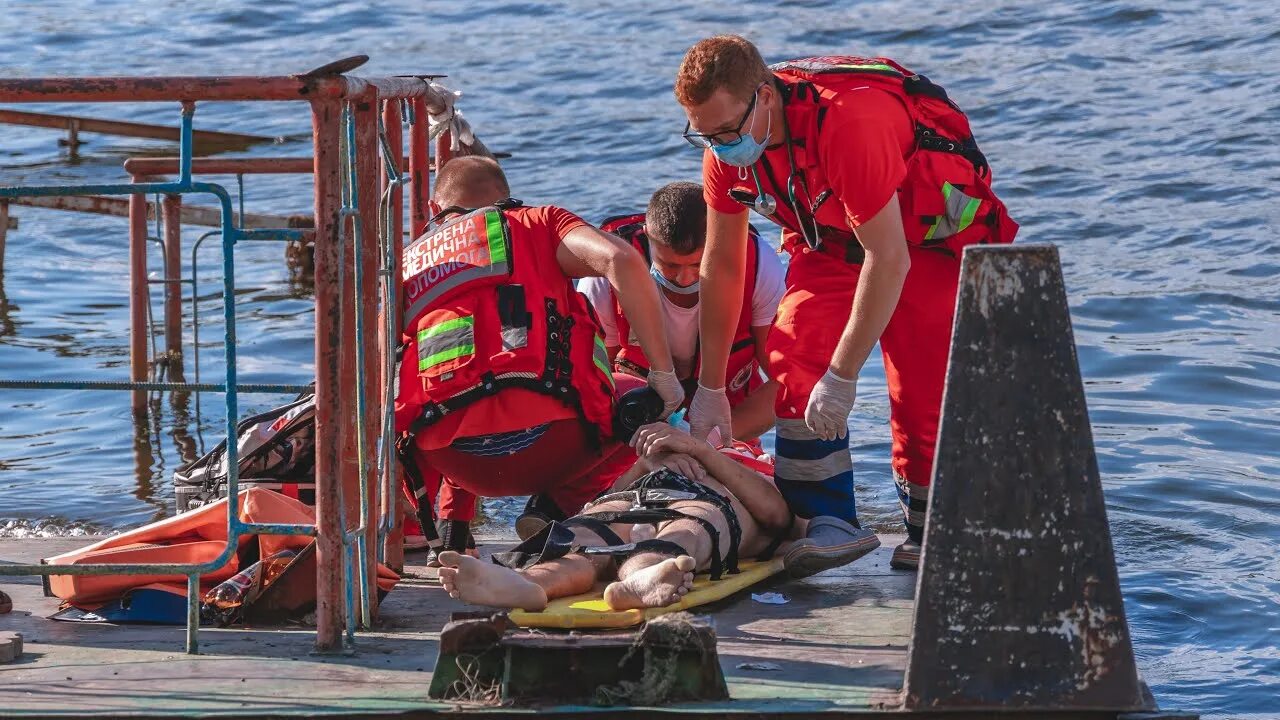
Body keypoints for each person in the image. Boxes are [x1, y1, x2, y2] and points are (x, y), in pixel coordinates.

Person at [674, 37, 1018, 570]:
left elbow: (890, 259)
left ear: (765, 98)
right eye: (704, 135)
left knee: (920, 385)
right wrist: (711, 388)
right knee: (793, 349)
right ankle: (825, 520)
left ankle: (933, 532)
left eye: (726, 132)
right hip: (834, 239)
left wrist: (843, 376)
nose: (720, 147)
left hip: (922, 242)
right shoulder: (726, 152)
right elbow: (721, 266)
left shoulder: (850, 124)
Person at [394, 156, 685, 558]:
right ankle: (560, 511)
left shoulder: (408, 261)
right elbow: (620, 260)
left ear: (432, 211)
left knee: (441, 389)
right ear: (507, 198)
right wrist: (663, 373)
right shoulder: (539, 221)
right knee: (642, 397)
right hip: (554, 448)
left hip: (459, 463)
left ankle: (449, 528)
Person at [437, 422, 877, 612]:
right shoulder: (669, 451)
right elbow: (605, 497)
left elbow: (777, 517)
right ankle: (532, 584)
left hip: (711, 501)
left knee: (692, 527)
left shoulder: (757, 465)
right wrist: (646, 464)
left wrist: (705, 453)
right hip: (644, 491)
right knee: (590, 528)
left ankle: (641, 579)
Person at [580, 181, 785, 442]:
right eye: (669, 265)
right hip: (637, 430)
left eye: (697, 264)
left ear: (718, 242)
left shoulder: (760, 265)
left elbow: (786, 380)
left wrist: (707, 441)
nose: (684, 278)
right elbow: (593, 384)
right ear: (647, 236)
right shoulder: (608, 273)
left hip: (727, 422)